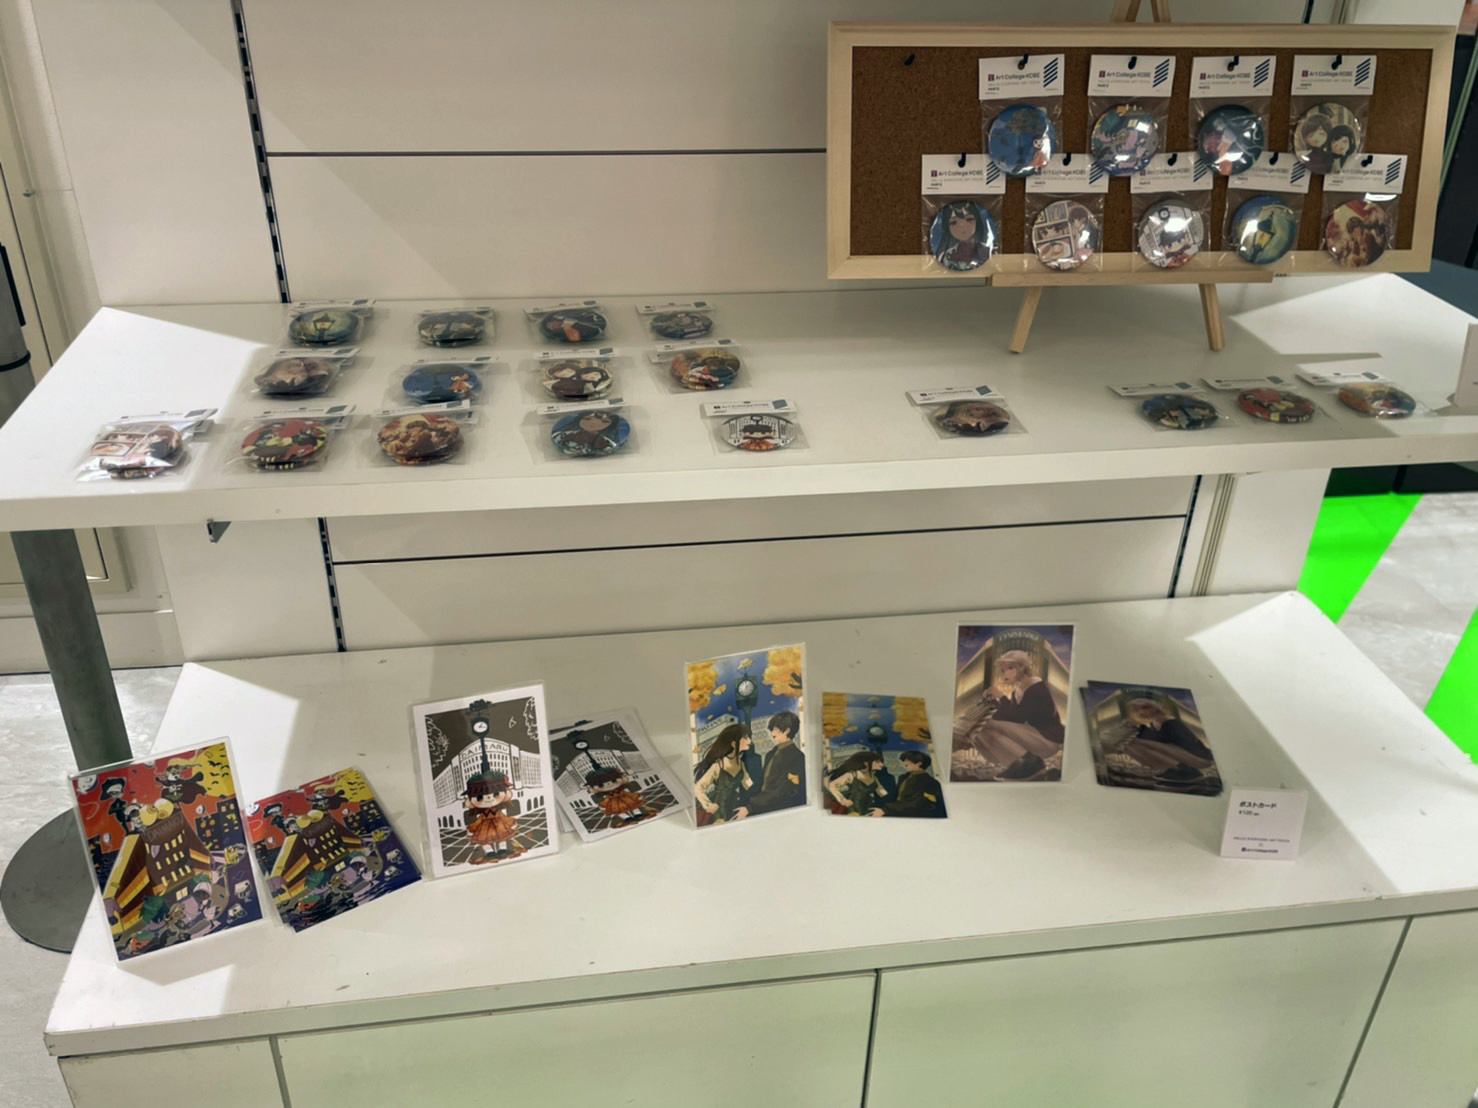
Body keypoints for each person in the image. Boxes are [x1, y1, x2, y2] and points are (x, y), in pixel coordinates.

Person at [962, 649, 1064, 780]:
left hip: (1047, 740)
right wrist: (993, 700)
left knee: (987, 723)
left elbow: (1018, 718)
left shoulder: (1037, 687)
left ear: (1022, 667)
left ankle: (1031, 762)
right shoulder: (1017, 691)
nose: (1006, 673)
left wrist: (1001, 697)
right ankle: (1018, 763)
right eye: (1003, 670)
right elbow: (1006, 716)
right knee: (980, 726)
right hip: (1031, 737)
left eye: (1010, 668)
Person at [1120, 698, 1215, 783]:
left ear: (1153, 708)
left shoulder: (1171, 722)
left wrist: (1139, 729)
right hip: (1184, 756)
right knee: (1130, 745)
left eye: (1143, 709)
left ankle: (1184, 770)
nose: (1139, 713)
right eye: (1137, 710)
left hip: (1199, 758)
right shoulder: (1155, 723)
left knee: (1134, 743)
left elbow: (1162, 740)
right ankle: (1176, 768)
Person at [735, 710, 804, 819]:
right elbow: (762, 782)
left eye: (776, 729)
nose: (772, 734)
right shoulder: (771, 753)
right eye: (772, 729)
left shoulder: (797, 756)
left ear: (787, 730)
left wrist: (750, 807)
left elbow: (782, 790)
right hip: (762, 804)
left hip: (782, 810)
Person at [693, 724, 753, 825]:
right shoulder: (718, 765)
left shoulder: (741, 764)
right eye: (745, 737)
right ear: (733, 743)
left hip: (735, 803)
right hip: (719, 807)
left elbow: (748, 784)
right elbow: (698, 787)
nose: (750, 741)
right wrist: (708, 805)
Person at [462, 771, 522, 863]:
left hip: (499, 826)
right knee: (484, 841)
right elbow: (478, 821)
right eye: (480, 797)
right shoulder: (483, 814)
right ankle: (489, 852)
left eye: (496, 794)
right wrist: (472, 828)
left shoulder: (497, 811)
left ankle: (502, 850)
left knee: (503, 838)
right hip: (485, 829)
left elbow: (503, 817)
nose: (489, 798)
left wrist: (511, 822)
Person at [932, 202, 994, 271]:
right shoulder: (946, 256)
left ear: (978, 221)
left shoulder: (987, 252)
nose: (962, 225)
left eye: (969, 219)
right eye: (953, 222)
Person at [883, 751, 946, 818]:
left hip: (917, 817)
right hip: (897, 812)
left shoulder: (930, 782)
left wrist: (888, 809)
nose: (905, 763)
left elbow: (920, 804)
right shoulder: (903, 777)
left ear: (919, 763)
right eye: (904, 760)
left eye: (908, 761)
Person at [826, 751, 887, 816]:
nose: (882, 765)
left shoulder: (873, 777)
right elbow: (832, 785)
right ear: (866, 763)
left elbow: (882, 793)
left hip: (869, 808)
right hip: (853, 809)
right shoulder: (852, 774)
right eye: (877, 762)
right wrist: (843, 800)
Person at [585, 766, 651, 824]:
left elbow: (629, 793)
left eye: (613, 780)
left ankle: (638, 814)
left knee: (633, 805)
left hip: (624, 796)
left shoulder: (622, 789)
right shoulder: (607, 794)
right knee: (618, 810)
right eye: (600, 785)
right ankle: (627, 818)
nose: (608, 784)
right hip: (614, 801)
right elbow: (605, 800)